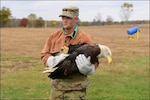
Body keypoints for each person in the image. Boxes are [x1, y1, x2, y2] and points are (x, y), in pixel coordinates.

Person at [40, 6, 99, 100]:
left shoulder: (85, 38)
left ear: (76, 19)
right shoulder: (54, 37)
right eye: (63, 17)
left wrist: (88, 69)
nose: (65, 20)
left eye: (68, 18)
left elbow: (95, 62)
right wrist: (52, 61)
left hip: (76, 91)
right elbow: (44, 55)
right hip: (56, 90)